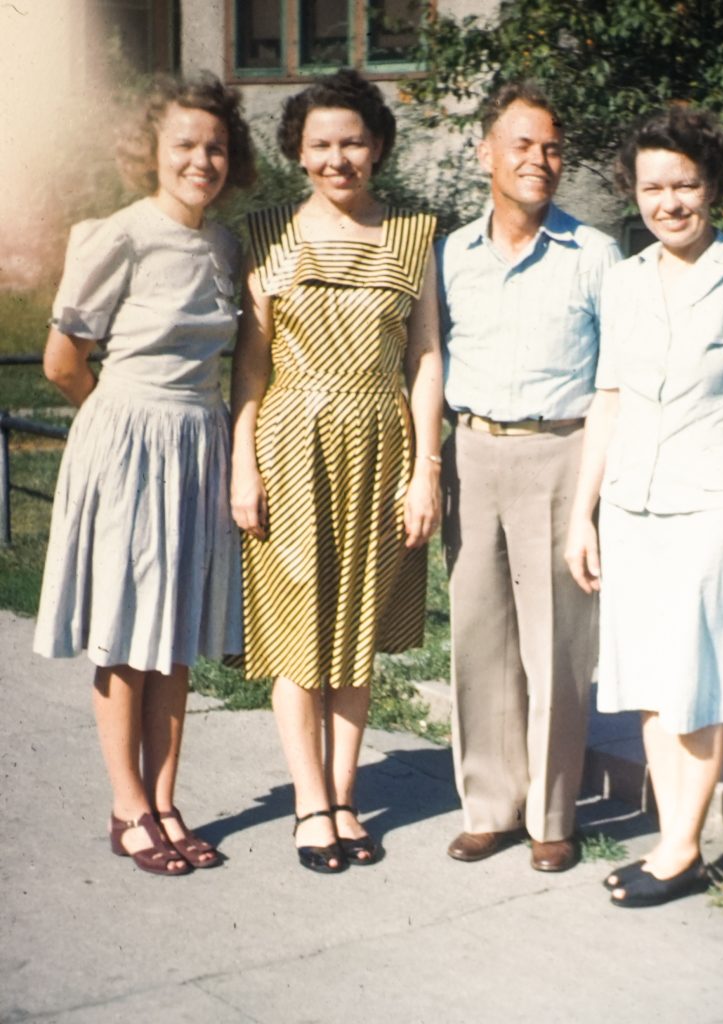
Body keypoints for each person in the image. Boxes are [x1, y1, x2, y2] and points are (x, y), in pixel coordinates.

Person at [565, 105, 723, 907]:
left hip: (711, 513)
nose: (668, 203)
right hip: (633, 510)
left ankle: (679, 850)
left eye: (685, 185)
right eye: (652, 187)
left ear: (713, 186)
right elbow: (607, 400)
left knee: (695, 684)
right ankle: (676, 841)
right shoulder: (623, 281)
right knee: (651, 685)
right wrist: (582, 516)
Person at [33, 73, 256, 875]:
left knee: (177, 633)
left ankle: (166, 801)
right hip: (129, 441)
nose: (203, 161)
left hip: (197, 444)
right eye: (186, 146)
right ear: (152, 152)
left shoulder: (225, 244)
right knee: (127, 633)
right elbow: (64, 363)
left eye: (216, 147)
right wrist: (121, 423)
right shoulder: (117, 235)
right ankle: (127, 806)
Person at [230, 69, 442, 874]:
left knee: (354, 630)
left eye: (352, 141)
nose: (337, 158)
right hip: (289, 445)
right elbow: (249, 369)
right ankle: (309, 804)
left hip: (380, 444)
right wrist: (242, 466)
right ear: (298, 152)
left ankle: (347, 797)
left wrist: (425, 471)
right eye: (320, 144)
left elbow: (425, 359)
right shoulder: (268, 235)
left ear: (378, 145)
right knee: (296, 632)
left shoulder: (416, 236)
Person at [438, 82, 621, 873]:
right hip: (473, 452)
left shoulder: (595, 252)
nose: (539, 160)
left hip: (560, 452)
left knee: (556, 645)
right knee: (480, 639)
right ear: (486, 154)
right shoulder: (452, 253)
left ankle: (552, 816)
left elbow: (617, 378)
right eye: (522, 144)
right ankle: (490, 807)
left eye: (551, 148)